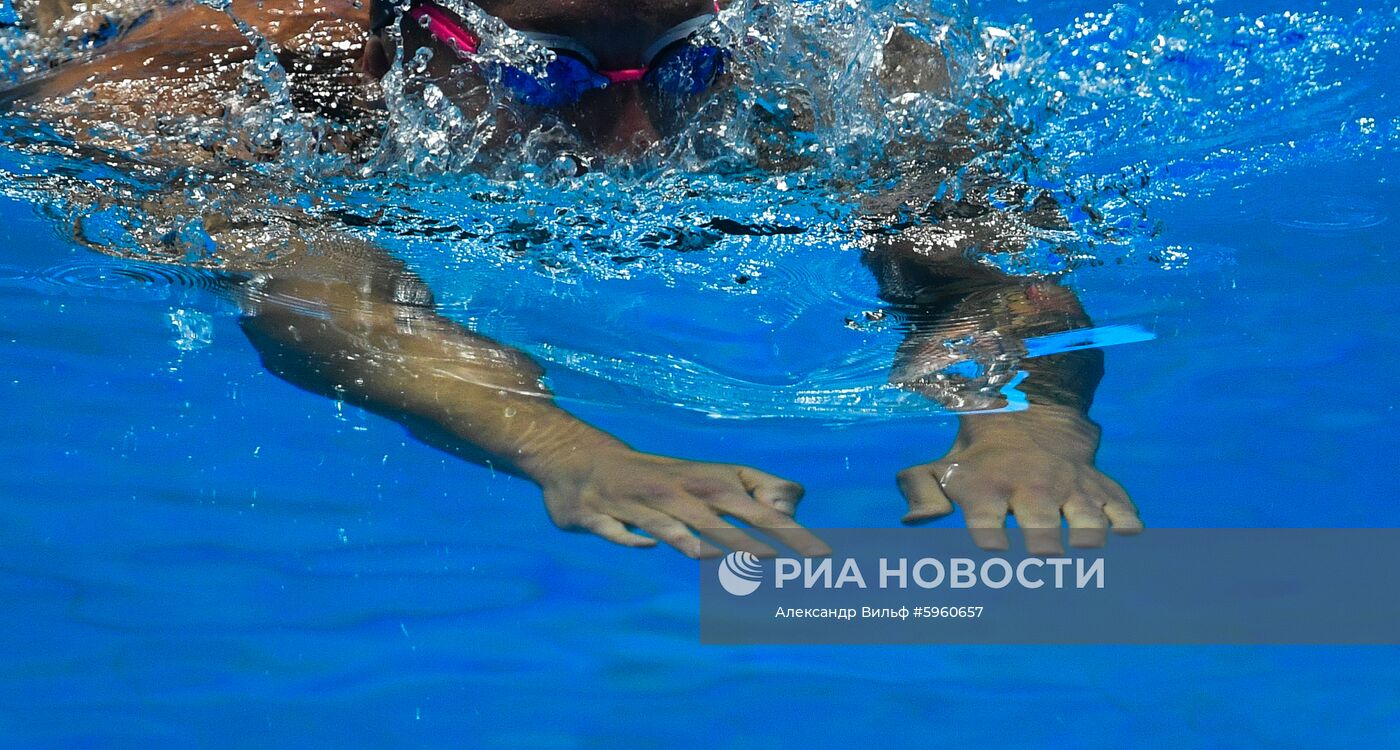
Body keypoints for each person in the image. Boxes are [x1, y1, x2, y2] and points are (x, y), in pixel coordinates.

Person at [3, 0, 1142, 558]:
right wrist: (567, 451)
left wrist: (1025, 420)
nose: (636, 130)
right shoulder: (202, 79)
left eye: (686, 66)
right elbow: (314, 287)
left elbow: (989, 270)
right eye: (546, 78)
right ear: (407, 40)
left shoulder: (833, 61)